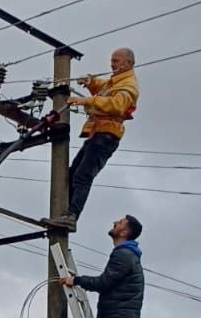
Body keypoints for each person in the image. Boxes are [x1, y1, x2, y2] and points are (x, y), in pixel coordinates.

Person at [46, 47, 139, 231]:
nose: (112, 64)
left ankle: (71, 217)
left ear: (128, 63)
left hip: (107, 135)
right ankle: (64, 213)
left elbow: (116, 104)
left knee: (83, 176)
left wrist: (86, 101)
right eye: (112, 60)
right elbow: (104, 88)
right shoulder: (116, 81)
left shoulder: (129, 85)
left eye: (116, 61)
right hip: (98, 133)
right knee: (72, 174)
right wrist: (91, 82)